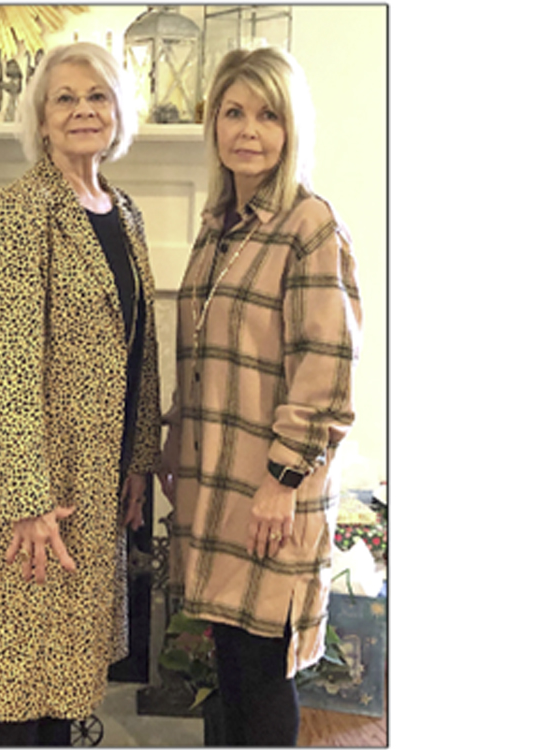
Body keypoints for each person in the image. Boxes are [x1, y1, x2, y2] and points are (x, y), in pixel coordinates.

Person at [0, 42, 162, 746]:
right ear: (40, 119)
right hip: (35, 487)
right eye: (64, 98)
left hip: (97, 482)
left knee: (66, 674)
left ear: (118, 112)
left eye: (97, 96)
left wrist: (139, 461)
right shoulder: (17, 212)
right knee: (18, 685)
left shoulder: (123, 212)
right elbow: (4, 365)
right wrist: (27, 500)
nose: (82, 111)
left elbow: (141, 349)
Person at [158, 46, 363, 746]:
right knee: (231, 663)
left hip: (270, 491)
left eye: (268, 115)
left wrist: (283, 478)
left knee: (261, 670)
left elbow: (325, 368)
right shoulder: (218, 227)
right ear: (213, 124)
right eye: (233, 112)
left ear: (291, 127)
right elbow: (200, 359)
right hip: (214, 483)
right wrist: (173, 441)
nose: (248, 130)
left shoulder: (310, 227)